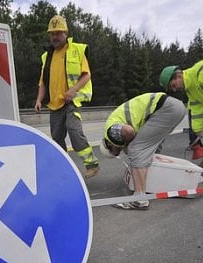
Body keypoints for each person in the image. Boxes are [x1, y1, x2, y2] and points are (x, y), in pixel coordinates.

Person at [35, 15, 99, 178]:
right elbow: (43, 82)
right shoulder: (46, 56)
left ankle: (91, 164)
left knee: (74, 130)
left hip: (71, 102)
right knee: (56, 139)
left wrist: (74, 90)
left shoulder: (76, 50)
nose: (55, 37)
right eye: (52, 33)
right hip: (54, 105)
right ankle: (64, 169)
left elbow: (86, 75)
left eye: (58, 33)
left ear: (65, 33)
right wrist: (38, 100)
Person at [100, 92, 185, 210]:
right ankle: (149, 184)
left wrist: (131, 147)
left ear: (109, 145)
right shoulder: (114, 123)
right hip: (173, 107)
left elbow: (128, 131)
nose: (119, 151)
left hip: (164, 108)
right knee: (148, 150)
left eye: (116, 151)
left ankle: (139, 199)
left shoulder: (111, 132)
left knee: (136, 149)